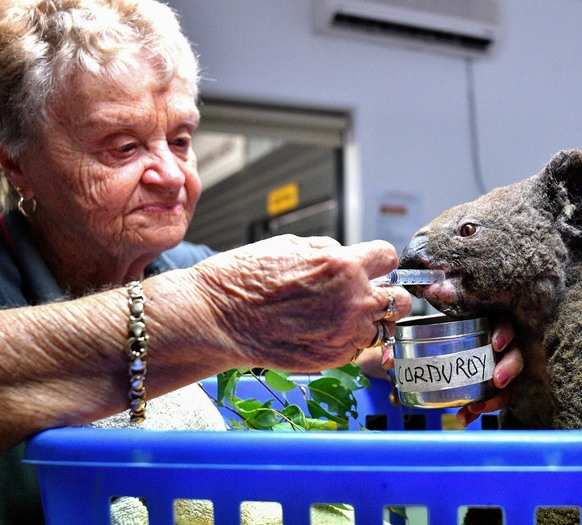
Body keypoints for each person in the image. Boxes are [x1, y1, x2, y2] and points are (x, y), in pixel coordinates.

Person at [0, 0, 523, 522]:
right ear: (17, 163)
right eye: (122, 147)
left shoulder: (180, 262)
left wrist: (403, 344)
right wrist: (215, 312)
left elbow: (328, 348)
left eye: (181, 141)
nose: (171, 174)